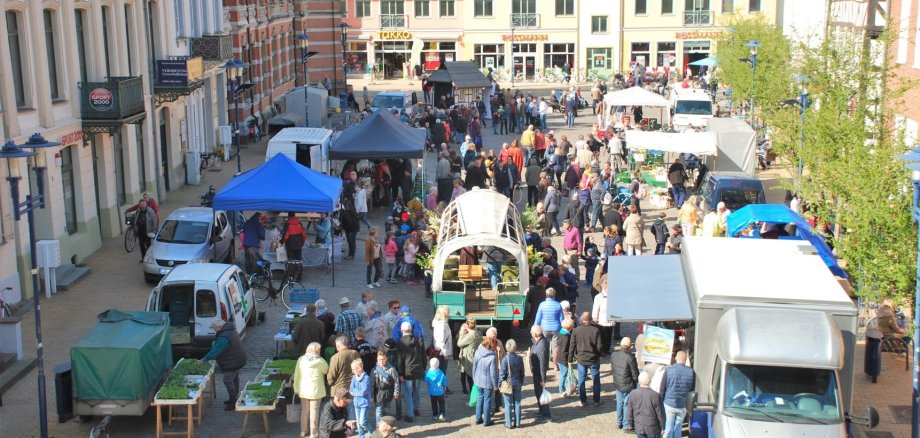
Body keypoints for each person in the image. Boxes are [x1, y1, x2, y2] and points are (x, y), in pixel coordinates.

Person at [200, 320, 247, 410]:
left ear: (218, 327)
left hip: (233, 361)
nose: (214, 331)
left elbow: (216, 351)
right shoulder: (229, 330)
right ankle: (234, 398)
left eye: (214, 329)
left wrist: (204, 359)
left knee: (227, 380)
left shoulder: (224, 337)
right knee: (234, 378)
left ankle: (233, 402)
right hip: (238, 358)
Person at [294, 342, 329, 438]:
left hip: (303, 389)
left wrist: (296, 388)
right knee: (314, 411)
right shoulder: (321, 361)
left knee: (304, 410)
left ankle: (303, 431)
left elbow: (296, 375)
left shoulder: (301, 359)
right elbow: (326, 370)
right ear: (317, 351)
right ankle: (313, 433)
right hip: (316, 390)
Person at [660, 351, 696, 438]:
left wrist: (661, 401)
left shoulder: (668, 370)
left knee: (668, 429)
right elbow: (692, 389)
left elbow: (662, 388)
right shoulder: (691, 372)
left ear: (676, 358)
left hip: (669, 403)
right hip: (683, 405)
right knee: (678, 429)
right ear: (685, 360)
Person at [569, 312, 602, 407]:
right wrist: (599, 354)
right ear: (591, 319)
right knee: (596, 379)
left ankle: (583, 400)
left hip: (581, 359)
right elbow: (599, 346)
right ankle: (596, 400)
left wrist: (570, 358)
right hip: (593, 358)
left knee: (581, 380)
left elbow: (572, 345)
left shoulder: (577, 330)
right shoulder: (596, 330)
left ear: (582, 319)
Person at [395, 321, 426, 422]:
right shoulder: (419, 340)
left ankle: (410, 414)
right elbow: (423, 356)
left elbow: (400, 360)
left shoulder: (400, 342)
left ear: (402, 330)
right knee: (416, 391)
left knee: (408, 393)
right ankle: (416, 409)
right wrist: (424, 368)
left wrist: (400, 373)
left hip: (407, 372)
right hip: (418, 370)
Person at [611, 337, 640, 431]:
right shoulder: (630, 357)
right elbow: (634, 373)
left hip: (618, 383)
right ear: (630, 346)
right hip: (628, 384)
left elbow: (613, 368)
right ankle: (625, 424)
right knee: (626, 404)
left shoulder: (614, 355)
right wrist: (636, 381)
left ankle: (619, 422)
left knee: (619, 403)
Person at [472, 337, 499, 426]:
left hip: (478, 380)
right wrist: (496, 386)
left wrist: (474, 378)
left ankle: (478, 418)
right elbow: (493, 373)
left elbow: (474, 366)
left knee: (480, 399)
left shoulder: (477, 352)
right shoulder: (492, 356)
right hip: (488, 383)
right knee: (487, 400)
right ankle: (487, 421)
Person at [629, 372, 666, 438]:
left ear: (639, 382)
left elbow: (630, 411)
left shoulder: (633, 394)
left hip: (639, 426)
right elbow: (660, 413)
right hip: (653, 428)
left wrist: (630, 424)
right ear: (650, 381)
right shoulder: (656, 395)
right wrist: (663, 427)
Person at [499, 338, 524, 429]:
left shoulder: (505, 359)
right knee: (517, 403)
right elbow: (522, 372)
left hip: (508, 384)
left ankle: (509, 423)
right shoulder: (519, 358)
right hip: (517, 383)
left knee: (508, 404)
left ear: (506, 347)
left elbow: (502, 374)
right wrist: (521, 382)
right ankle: (517, 423)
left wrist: (499, 384)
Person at [529, 325, 552, 423]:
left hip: (539, 374)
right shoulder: (537, 342)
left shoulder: (541, 345)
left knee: (541, 393)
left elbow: (542, 363)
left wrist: (543, 379)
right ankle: (541, 411)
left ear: (535, 334)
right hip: (536, 372)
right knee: (537, 393)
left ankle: (546, 415)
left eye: (531, 331)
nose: (530, 332)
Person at [372, 351, 401, 424]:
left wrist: (396, 393)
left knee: (386, 410)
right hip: (378, 393)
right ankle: (379, 426)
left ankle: (386, 426)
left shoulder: (392, 369)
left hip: (388, 393)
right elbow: (371, 384)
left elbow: (396, 382)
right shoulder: (374, 370)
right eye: (379, 359)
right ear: (377, 359)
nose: (381, 361)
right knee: (379, 411)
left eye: (383, 359)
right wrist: (371, 396)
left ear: (386, 359)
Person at [456, 317, 482, 395]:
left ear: (467, 325)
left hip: (468, 357)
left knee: (470, 377)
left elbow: (459, 343)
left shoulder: (471, 335)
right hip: (473, 355)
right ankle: (470, 393)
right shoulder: (478, 332)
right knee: (468, 376)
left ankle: (472, 396)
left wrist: (461, 334)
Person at [431, 305, 453, 393]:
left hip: (439, 351)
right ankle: (440, 389)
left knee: (441, 371)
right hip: (441, 353)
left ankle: (442, 387)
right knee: (441, 371)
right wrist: (445, 353)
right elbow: (441, 341)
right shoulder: (442, 325)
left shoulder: (438, 322)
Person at [349, 359, 373, 438]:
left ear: (359, 368)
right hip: (356, 403)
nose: (352, 371)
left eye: (353, 369)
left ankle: (373, 432)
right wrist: (356, 392)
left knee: (363, 421)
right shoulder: (354, 378)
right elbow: (351, 389)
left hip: (364, 403)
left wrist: (355, 392)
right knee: (359, 423)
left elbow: (364, 392)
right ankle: (361, 436)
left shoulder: (366, 378)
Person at [592, 287, 615, 355]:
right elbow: (596, 308)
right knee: (602, 337)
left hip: (611, 320)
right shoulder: (598, 297)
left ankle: (607, 350)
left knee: (609, 336)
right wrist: (595, 318)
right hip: (602, 321)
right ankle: (601, 350)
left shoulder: (613, 295)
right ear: (604, 288)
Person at [555, 318, 575, 397]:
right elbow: (565, 350)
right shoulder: (566, 337)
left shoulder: (560, 333)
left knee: (563, 374)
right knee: (563, 374)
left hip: (559, 357)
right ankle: (561, 390)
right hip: (563, 359)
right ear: (570, 327)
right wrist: (566, 362)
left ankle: (564, 388)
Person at [424, 357, 447, 421]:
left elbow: (425, 379)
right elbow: (444, 380)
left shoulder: (429, 372)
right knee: (441, 403)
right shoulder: (440, 372)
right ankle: (442, 414)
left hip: (432, 392)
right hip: (440, 391)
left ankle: (435, 415)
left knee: (433, 403)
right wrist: (444, 386)